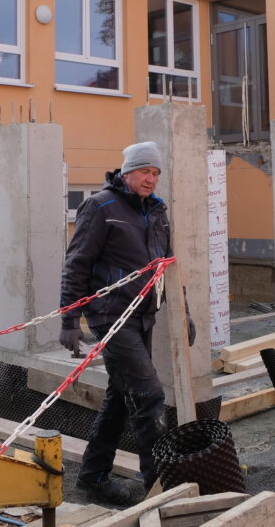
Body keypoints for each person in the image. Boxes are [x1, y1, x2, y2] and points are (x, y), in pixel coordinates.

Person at [59, 141, 193, 507]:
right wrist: (69, 319)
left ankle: (93, 477)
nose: (151, 179)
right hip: (111, 315)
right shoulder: (100, 206)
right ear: (127, 172)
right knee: (149, 396)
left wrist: (184, 311)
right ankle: (159, 489)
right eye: (145, 172)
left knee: (121, 397)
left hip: (143, 315)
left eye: (156, 173)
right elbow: (76, 265)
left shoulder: (158, 211)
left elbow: (167, 265)